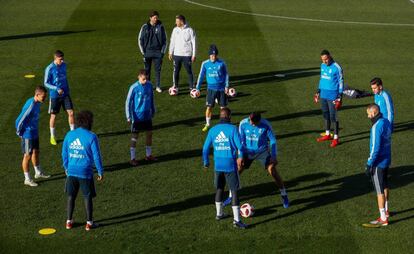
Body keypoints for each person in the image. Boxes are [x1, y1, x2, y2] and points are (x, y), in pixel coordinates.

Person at [224, 112, 289, 208]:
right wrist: (240, 156)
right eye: (250, 121)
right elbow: (240, 141)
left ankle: (284, 195)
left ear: (259, 121)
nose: (251, 124)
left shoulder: (265, 125)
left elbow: (273, 140)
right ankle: (231, 195)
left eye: (253, 123)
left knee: (272, 170)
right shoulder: (243, 123)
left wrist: (274, 156)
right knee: (237, 170)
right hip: (247, 151)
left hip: (262, 151)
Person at [202, 108, 248, 229]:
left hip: (218, 165)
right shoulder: (233, 129)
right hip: (230, 166)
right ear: (229, 116)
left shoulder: (212, 130)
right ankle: (237, 220)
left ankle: (219, 214)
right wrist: (240, 157)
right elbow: (241, 147)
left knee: (219, 188)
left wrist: (206, 162)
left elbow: (205, 149)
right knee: (234, 191)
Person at [62, 110, 103, 231]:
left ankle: (69, 222)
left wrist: (66, 167)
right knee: (87, 197)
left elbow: (64, 153)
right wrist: (100, 171)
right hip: (85, 173)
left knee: (71, 196)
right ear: (89, 122)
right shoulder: (92, 136)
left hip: (71, 171)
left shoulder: (69, 135)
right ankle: (89, 223)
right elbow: (96, 156)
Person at [15, 86, 50, 187]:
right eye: (43, 97)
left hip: (34, 132)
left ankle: (38, 172)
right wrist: (19, 133)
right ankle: (27, 179)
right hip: (27, 134)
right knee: (27, 156)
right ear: (37, 95)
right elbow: (19, 120)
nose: (44, 99)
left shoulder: (38, 103)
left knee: (36, 151)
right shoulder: (30, 105)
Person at [365, 104, 392, 226]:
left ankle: (383, 218)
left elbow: (375, 148)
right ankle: (386, 211)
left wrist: (369, 163)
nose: (367, 116)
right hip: (386, 159)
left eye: (368, 114)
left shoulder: (376, 127)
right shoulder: (386, 121)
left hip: (378, 163)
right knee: (385, 185)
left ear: (374, 113)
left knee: (379, 190)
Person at [196, 44, 231, 132]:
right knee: (209, 107)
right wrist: (198, 88)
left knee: (223, 108)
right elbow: (201, 76)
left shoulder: (222, 63)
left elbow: (226, 75)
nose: (213, 57)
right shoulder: (205, 64)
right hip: (211, 89)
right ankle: (207, 124)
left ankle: (224, 124)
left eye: (215, 55)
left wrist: (226, 86)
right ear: (209, 55)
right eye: (212, 55)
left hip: (221, 89)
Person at [125, 69, 156, 166]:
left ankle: (148, 155)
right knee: (135, 137)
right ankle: (132, 158)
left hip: (147, 115)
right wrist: (128, 116)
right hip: (137, 116)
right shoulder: (134, 87)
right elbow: (128, 102)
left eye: (146, 78)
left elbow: (151, 98)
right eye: (143, 79)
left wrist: (153, 109)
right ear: (139, 76)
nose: (145, 81)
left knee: (149, 134)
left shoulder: (150, 85)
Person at [44, 50, 75, 145]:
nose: (62, 61)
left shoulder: (64, 65)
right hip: (55, 96)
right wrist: (56, 88)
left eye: (63, 59)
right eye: (60, 59)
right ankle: (52, 136)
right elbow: (45, 83)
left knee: (71, 112)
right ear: (55, 58)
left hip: (65, 94)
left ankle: (72, 134)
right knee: (53, 115)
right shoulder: (49, 68)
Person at [314, 49, 344, 147]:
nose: (324, 61)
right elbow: (322, 79)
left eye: (326, 59)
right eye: (323, 59)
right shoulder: (322, 66)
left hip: (333, 95)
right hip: (323, 94)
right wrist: (318, 91)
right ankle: (327, 134)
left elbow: (341, 82)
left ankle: (336, 138)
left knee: (333, 116)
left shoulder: (337, 67)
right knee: (325, 115)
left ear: (329, 56)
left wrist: (339, 96)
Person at [138, 10, 167, 93]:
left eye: (157, 18)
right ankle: (148, 85)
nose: (156, 19)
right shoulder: (145, 27)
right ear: (150, 18)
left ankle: (158, 86)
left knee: (158, 70)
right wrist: (143, 52)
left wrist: (162, 52)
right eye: (154, 18)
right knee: (147, 70)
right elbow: (140, 40)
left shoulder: (161, 26)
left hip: (158, 52)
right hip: (147, 52)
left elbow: (165, 40)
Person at [168, 14, 197, 91]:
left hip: (187, 55)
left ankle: (191, 87)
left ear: (181, 21)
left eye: (177, 21)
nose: (176, 22)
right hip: (177, 55)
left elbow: (194, 43)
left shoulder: (190, 30)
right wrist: (170, 52)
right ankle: (175, 86)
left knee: (189, 71)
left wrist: (194, 55)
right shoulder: (175, 30)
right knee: (176, 71)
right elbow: (172, 41)